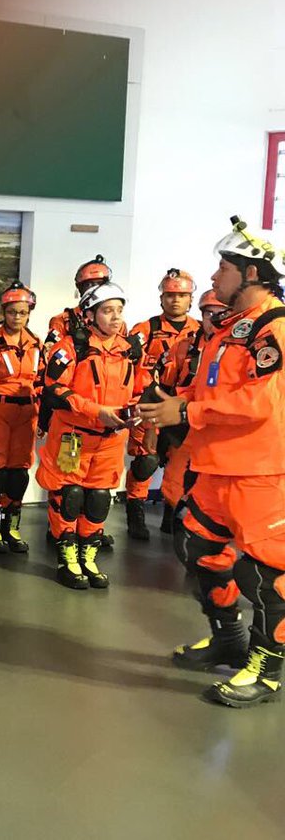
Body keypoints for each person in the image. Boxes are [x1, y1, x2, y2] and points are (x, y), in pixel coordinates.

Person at [139, 217, 285, 706]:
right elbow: (215, 390)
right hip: (216, 468)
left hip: (260, 474)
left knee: (266, 575)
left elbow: (262, 402)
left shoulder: (275, 327)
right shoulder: (229, 330)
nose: (216, 275)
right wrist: (172, 398)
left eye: (225, 266)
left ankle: (267, 670)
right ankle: (228, 638)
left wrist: (187, 410)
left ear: (254, 274)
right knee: (199, 550)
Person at [37, 282, 140, 590]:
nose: (115, 317)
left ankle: (88, 557)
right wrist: (95, 411)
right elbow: (53, 388)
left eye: (119, 310)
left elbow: (141, 387)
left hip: (111, 439)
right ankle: (67, 559)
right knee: (70, 497)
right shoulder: (71, 347)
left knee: (97, 499)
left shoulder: (131, 348)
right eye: (108, 311)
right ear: (90, 314)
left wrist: (135, 412)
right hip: (74, 436)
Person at [122, 269, 200, 541]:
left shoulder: (201, 331)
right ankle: (135, 514)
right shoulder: (145, 330)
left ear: (190, 299)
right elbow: (131, 367)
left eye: (181, 295)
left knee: (179, 463)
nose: (175, 300)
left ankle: (172, 514)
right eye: (170, 295)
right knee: (147, 461)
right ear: (161, 297)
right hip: (151, 402)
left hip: (182, 406)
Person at [0, 282, 42, 554]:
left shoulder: (36, 343)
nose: (17, 317)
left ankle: (10, 526)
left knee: (19, 475)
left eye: (23, 312)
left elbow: (41, 380)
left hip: (27, 413)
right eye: (12, 312)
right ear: (3, 311)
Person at [155, 289, 225, 529]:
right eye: (209, 314)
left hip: (220, 430)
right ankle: (176, 523)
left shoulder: (237, 347)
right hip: (184, 425)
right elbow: (165, 386)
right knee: (175, 484)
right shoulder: (185, 346)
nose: (214, 319)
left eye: (220, 313)